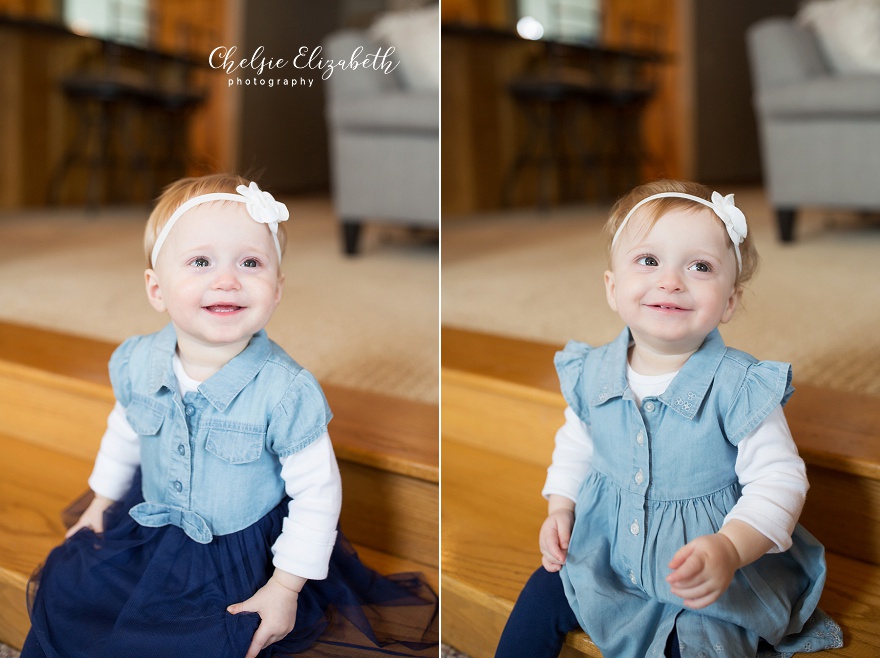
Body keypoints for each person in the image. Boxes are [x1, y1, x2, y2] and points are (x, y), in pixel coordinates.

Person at [22, 174, 437, 658]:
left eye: (250, 262)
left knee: (208, 639)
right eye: (200, 261)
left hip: (237, 555)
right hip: (152, 526)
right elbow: (124, 433)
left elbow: (317, 493)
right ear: (156, 289)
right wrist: (100, 502)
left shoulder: (284, 391)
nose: (227, 279)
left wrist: (283, 588)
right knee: (74, 592)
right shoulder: (138, 362)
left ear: (277, 289)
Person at [495, 180, 843, 658]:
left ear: (729, 302)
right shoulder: (593, 373)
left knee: (699, 646)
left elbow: (780, 480)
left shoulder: (738, 387)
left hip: (704, 574)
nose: (671, 281)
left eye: (700, 266)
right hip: (608, 554)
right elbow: (578, 443)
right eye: (649, 260)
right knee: (539, 598)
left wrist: (730, 549)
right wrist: (561, 506)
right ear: (613, 289)